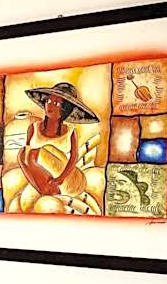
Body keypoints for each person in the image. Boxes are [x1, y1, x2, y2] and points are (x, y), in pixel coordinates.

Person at [7, 81, 101, 214]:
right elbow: (26, 162)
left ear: (65, 110)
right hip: (43, 183)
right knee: (23, 153)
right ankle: (46, 191)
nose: (50, 106)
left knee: (35, 153)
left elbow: (73, 158)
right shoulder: (33, 128)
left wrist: (60, 179)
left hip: (68, 178)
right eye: (48, 101)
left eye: (56, 104)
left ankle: (49, 191)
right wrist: (38, 184)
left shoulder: (70, 132)